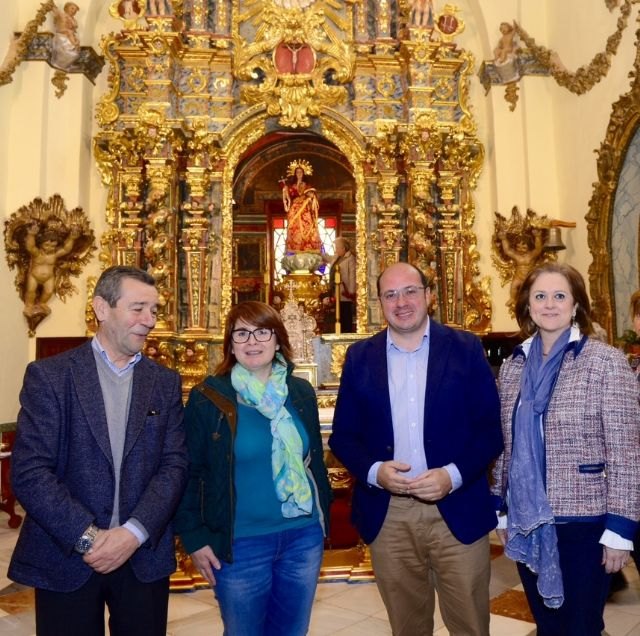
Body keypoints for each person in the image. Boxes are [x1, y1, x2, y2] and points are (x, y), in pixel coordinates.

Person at [9, 265, 188, 636]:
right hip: (66, 555)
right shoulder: (51, 376)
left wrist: (133, 533)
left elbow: (174, 465)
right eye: (138, 308)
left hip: (142, 556)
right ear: (102, 309)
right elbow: (30, 472)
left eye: (154, 310)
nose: (149, 320)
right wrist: (88, 537)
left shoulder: (163, 382)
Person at [329, 261, 503, 636]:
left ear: (429, 295)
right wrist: (376, 472)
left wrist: (451, 476)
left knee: (470, 625)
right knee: (407, 627)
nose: (401, 301)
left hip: (456, 511)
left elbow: (490, 429)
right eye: (390, 294)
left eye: (410, 291)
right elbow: (343, 435)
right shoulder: (360, 357)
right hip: (389, 516)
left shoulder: (466, 348)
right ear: (380, 302)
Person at [492, 262, 640, 635]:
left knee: (582, 627)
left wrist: (620, 530)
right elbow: (505, 445)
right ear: (527, 305)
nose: (549, 304)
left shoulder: (605, 362)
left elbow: (626, 451)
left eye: (560, 295)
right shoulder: (514, 366)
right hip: (528, 520)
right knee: (548, 625)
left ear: (576, 305)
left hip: (586, 522)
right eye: (540, 296)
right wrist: (502, 508)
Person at [174, 301, 331, 636]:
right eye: (241, 333)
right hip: (240, 543)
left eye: (262, 331)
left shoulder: (299, 392)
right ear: (230, 343)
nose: (252, 341)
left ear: (278, 339)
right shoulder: (208, 399)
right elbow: (189, 474)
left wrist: (322, 521)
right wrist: (195, 538)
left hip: (302, 539)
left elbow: (314, 461)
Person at [23, 223, 80, 317]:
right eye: (47, 245)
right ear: (40, 244)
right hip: (34, 276)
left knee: (49, 291)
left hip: (49, 278)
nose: (50, 248)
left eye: (53, 246)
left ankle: (42, 303)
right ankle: (29, 305)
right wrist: (31, 235)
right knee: (31, 291)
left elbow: (66, 249)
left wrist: (71, 238)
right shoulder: (37, 254)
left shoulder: (54, 255)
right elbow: (30, 247)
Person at [497, 227, 544, 309]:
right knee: (513, 287)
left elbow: (538, 249)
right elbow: (507, 250)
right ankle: (512, 298)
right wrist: (504, 239)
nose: (521, 250)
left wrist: (537, 237)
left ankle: (533, 300)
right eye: (518, 247)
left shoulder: (532, 255)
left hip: (529, 277)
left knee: (532, 289)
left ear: (529, 247)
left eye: (524, 247)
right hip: (518, 277)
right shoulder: (516, 256)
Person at [282, 164, 322, 253]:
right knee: (294, 225)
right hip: (295, 207)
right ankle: (296, 244)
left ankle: (307, 244)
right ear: (295, 173)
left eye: (300, 172)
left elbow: (312, 194)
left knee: (306, 225)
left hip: (304, 207)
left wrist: (310, 195)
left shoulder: (307, 185)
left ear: (303, 173)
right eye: (297, 172)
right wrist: (285, 190)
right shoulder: (292, 185)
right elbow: (289, 197)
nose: (299, 173)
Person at [327, 236, 356, 333]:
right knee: (338, 314)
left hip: (345, 292)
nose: (336, 250)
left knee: (345, 315)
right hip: (336, 291)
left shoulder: (350, 259)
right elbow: (328, 258)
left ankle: (346, 332)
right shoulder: (337, 257)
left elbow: (352, 275)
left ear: (344, 248)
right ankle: (339, 332)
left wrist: (351, 292)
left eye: (337, 248)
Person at [51, 2, 81, 69]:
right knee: (69, 33)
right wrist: (51, 4)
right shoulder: (62, 15)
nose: (73, 11)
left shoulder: (73, 20)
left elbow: (74, 30)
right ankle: (60, 64)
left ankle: (67, 64)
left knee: (75, 52)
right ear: (66, 8)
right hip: (62, 33)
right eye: (72, 8)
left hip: (69, 36)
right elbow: (55, 10)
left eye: (75, 10)